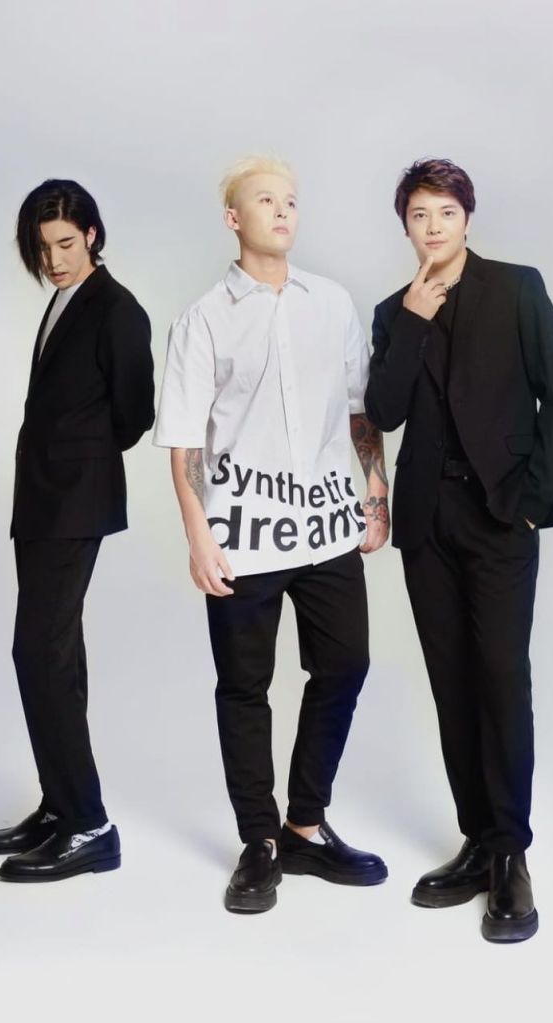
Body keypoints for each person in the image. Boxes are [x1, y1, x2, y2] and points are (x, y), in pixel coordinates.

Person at [154, 156, 389, 914]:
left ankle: (304, 826)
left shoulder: (333, 303)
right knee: (244, 688)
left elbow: (358, 409)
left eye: (290, 200)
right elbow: (184, 440)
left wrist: (375, 490)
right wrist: (198, 534)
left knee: (345, 664)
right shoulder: (203, 319)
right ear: (234, 218)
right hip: (242, 534)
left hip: (325, 525)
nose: (283, 211)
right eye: (265, 200)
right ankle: (259, 842)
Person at [365, 158, 553, 943]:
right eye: (419, 215)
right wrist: (413, 322)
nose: (433, 227)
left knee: (501, 680)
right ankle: (478, 841)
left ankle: (511, 852)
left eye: (445, 213)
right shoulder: (393, 311)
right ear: (406, 225)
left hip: (499, 517)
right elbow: (383, 411)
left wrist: (528, 502)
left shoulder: (518, 288)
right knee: (452, 685)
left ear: (467, 217)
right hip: (427, 523)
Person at [0, 179, 154, 882]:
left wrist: (78, 458)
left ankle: (90, 825)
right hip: (43, 500)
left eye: (65, 243)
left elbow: (134, 415)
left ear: (93, 235)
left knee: (38, 651)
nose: (53, 259)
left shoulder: (117, 309)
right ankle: (60, 805)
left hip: (75, 502)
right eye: (43, 247)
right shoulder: (63, 298)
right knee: (55, 654)